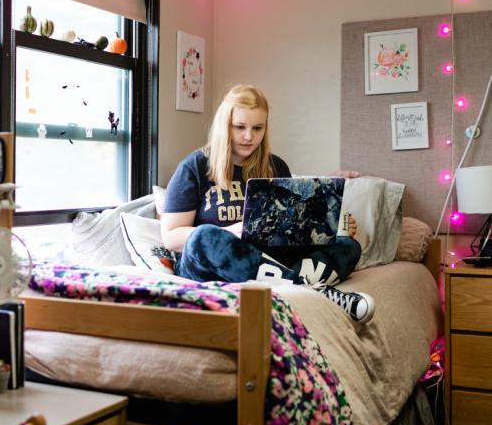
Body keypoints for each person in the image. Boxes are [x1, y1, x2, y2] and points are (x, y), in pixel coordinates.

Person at [160, 84, 375, 323]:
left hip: (269, 261)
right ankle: (311, 289)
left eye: (258, 128)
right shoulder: (196, 166)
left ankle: (288, 282)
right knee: (204, 237)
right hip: (210, 267)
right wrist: (229, 232)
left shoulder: (276, 166)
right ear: (225, 125)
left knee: (349, 246)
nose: (249, 136)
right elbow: (171, 237)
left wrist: (329, 227)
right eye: (239, 127)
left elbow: (294, 230)